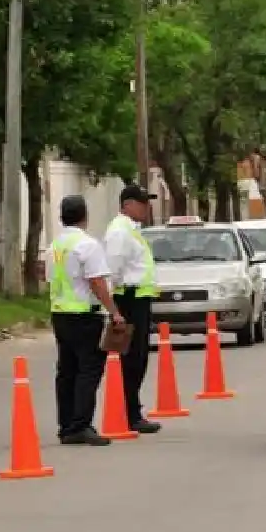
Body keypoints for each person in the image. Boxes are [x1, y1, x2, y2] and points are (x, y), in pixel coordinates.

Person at [46, 195, 124, 446]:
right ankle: (81, 424)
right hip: (84, 315)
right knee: (88, 370)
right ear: (85, 216)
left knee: (66, 371)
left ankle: (66, 425)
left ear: (62, 217)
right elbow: (97, 282)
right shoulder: (87, 245)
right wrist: (114, 311)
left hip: (60, 313)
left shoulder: (54, 246)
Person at [103, 184, 161, 434]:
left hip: (138, 298)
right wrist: (114, 307)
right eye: (142, 203)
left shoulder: (132, 229)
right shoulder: (119, 231)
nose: (147, 208)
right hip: (128, 298)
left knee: (138, 358)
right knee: (131, 359)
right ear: (127, 205)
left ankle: (132, 410)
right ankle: (129, 413)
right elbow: (113, 268)